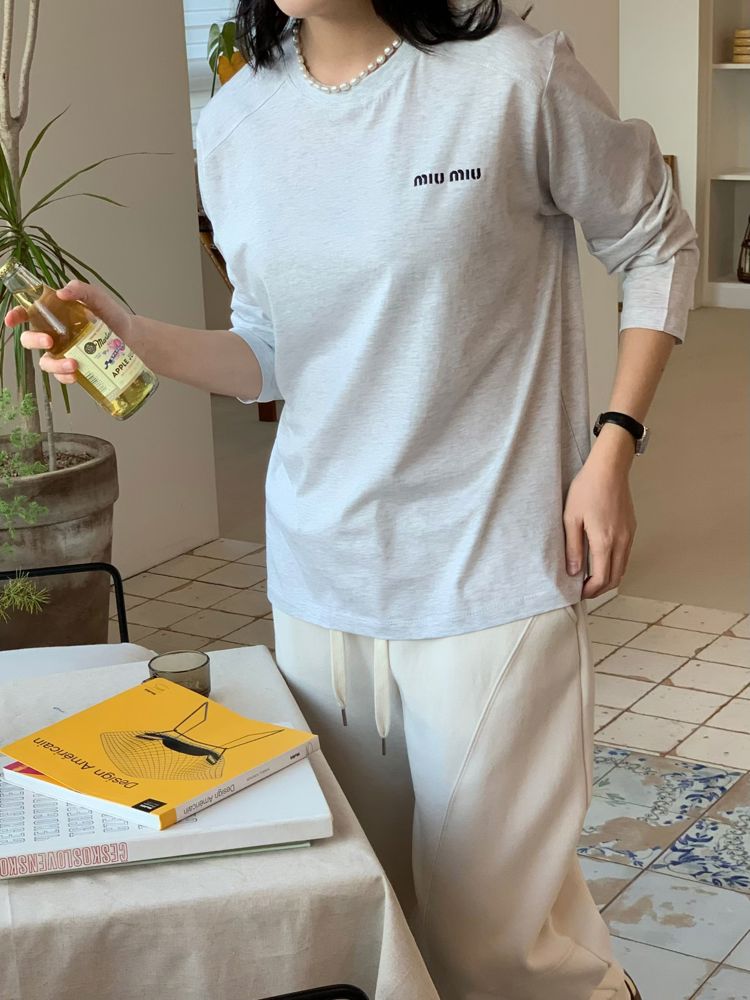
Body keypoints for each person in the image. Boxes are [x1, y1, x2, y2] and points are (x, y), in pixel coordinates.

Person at [11, 1, 700, 997]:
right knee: (375, 910)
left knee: (496, 937)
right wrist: (136, 335)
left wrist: (614, 445)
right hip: (318, 575)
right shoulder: (237, 120)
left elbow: (656, 240)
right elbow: (270, 351)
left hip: (491, 565)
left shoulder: (513, 77)